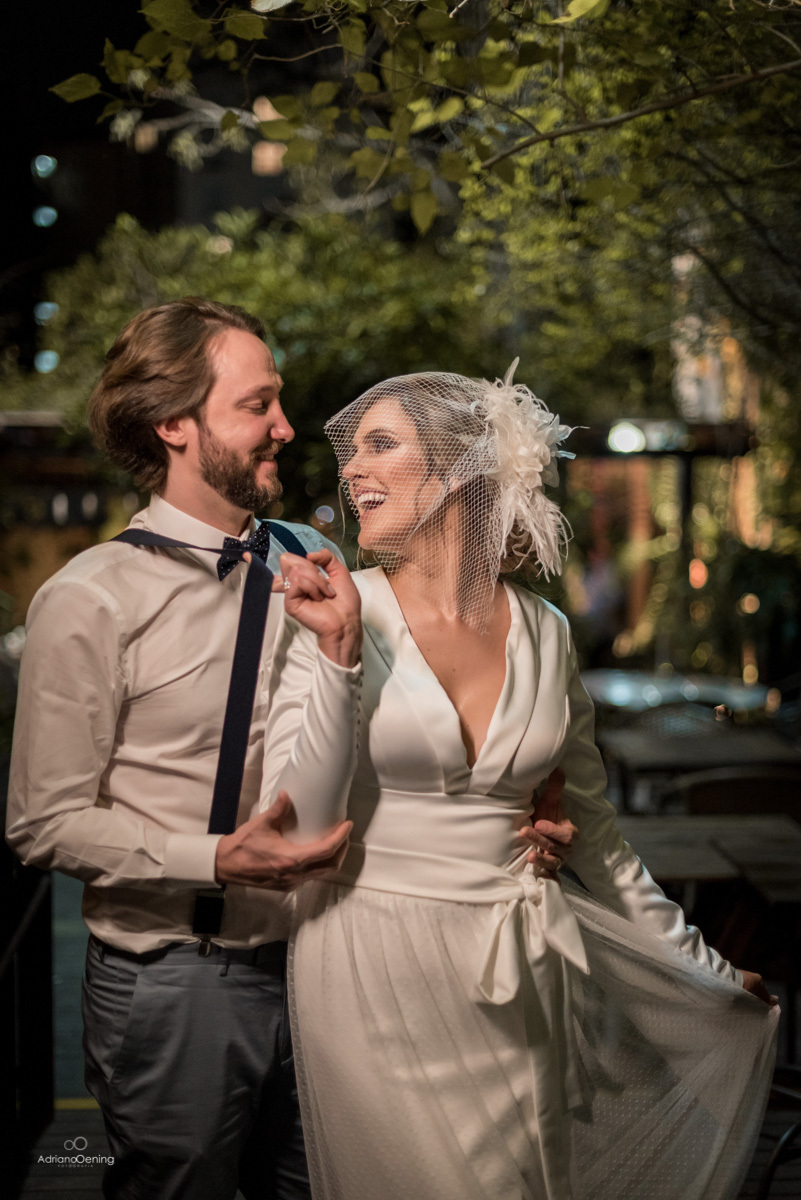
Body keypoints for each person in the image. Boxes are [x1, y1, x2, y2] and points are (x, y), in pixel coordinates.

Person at [259, 364, 779, 1200]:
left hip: (523, 963)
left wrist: (704, 970)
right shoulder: (338, 607)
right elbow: (302, 821)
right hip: (371, 956)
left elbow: (599, 840)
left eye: (381, 445)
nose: (351, 468)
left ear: (459, 469)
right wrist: (337, 657)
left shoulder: (546, 632)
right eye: (351, 450)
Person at [5, 297, 356, 1200]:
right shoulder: (91, 598)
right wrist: (215, 860)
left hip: (328, 970)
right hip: (173, 985)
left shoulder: (313, 560)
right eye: (256, 404)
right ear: (173, 424)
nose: (284, 426)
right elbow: (42, 824)